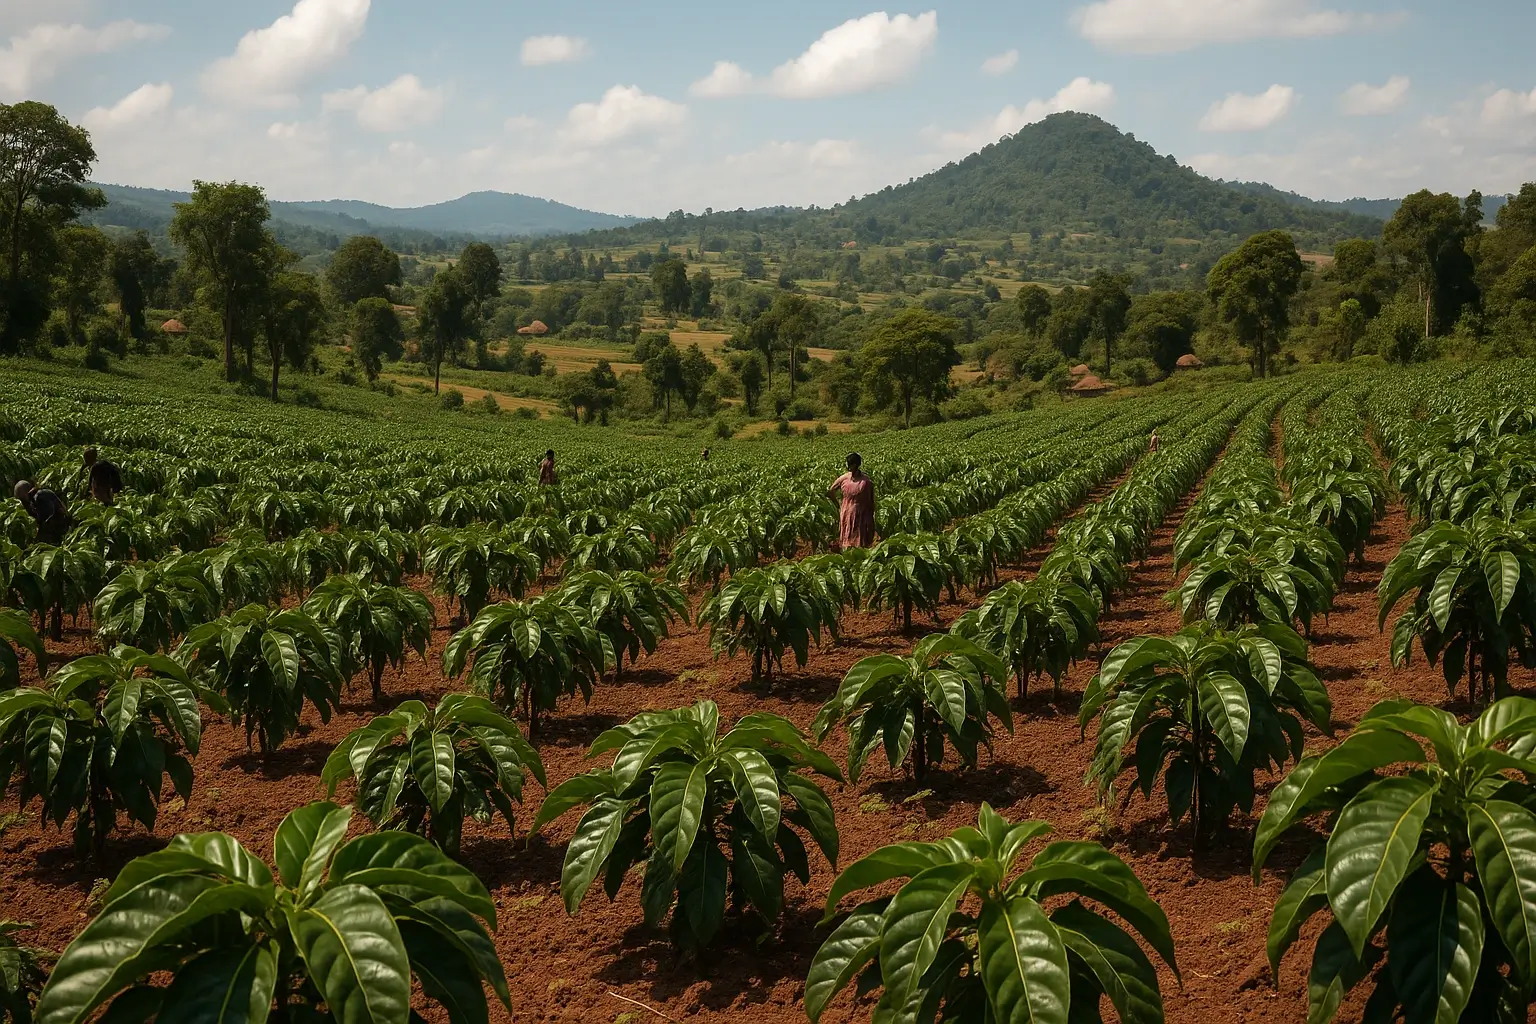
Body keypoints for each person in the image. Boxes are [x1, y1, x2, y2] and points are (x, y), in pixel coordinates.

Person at [828, 452, 876, 551]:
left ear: (856, 465)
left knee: (859, 537)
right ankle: (847, 554)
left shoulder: (865, 481)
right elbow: (831, 491)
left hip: (860, 513)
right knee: (847, 534)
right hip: (846, 511)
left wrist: (871, 515)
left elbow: (870, 500)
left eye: (851, 464)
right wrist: (837, 504)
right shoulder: (844, 478)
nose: (849, 466)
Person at [14, 480, 70, 545]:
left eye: (22, 498)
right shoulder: (35, 498)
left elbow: (48, 516)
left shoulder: (40, 496)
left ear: (25, 494)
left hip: (62, 526)